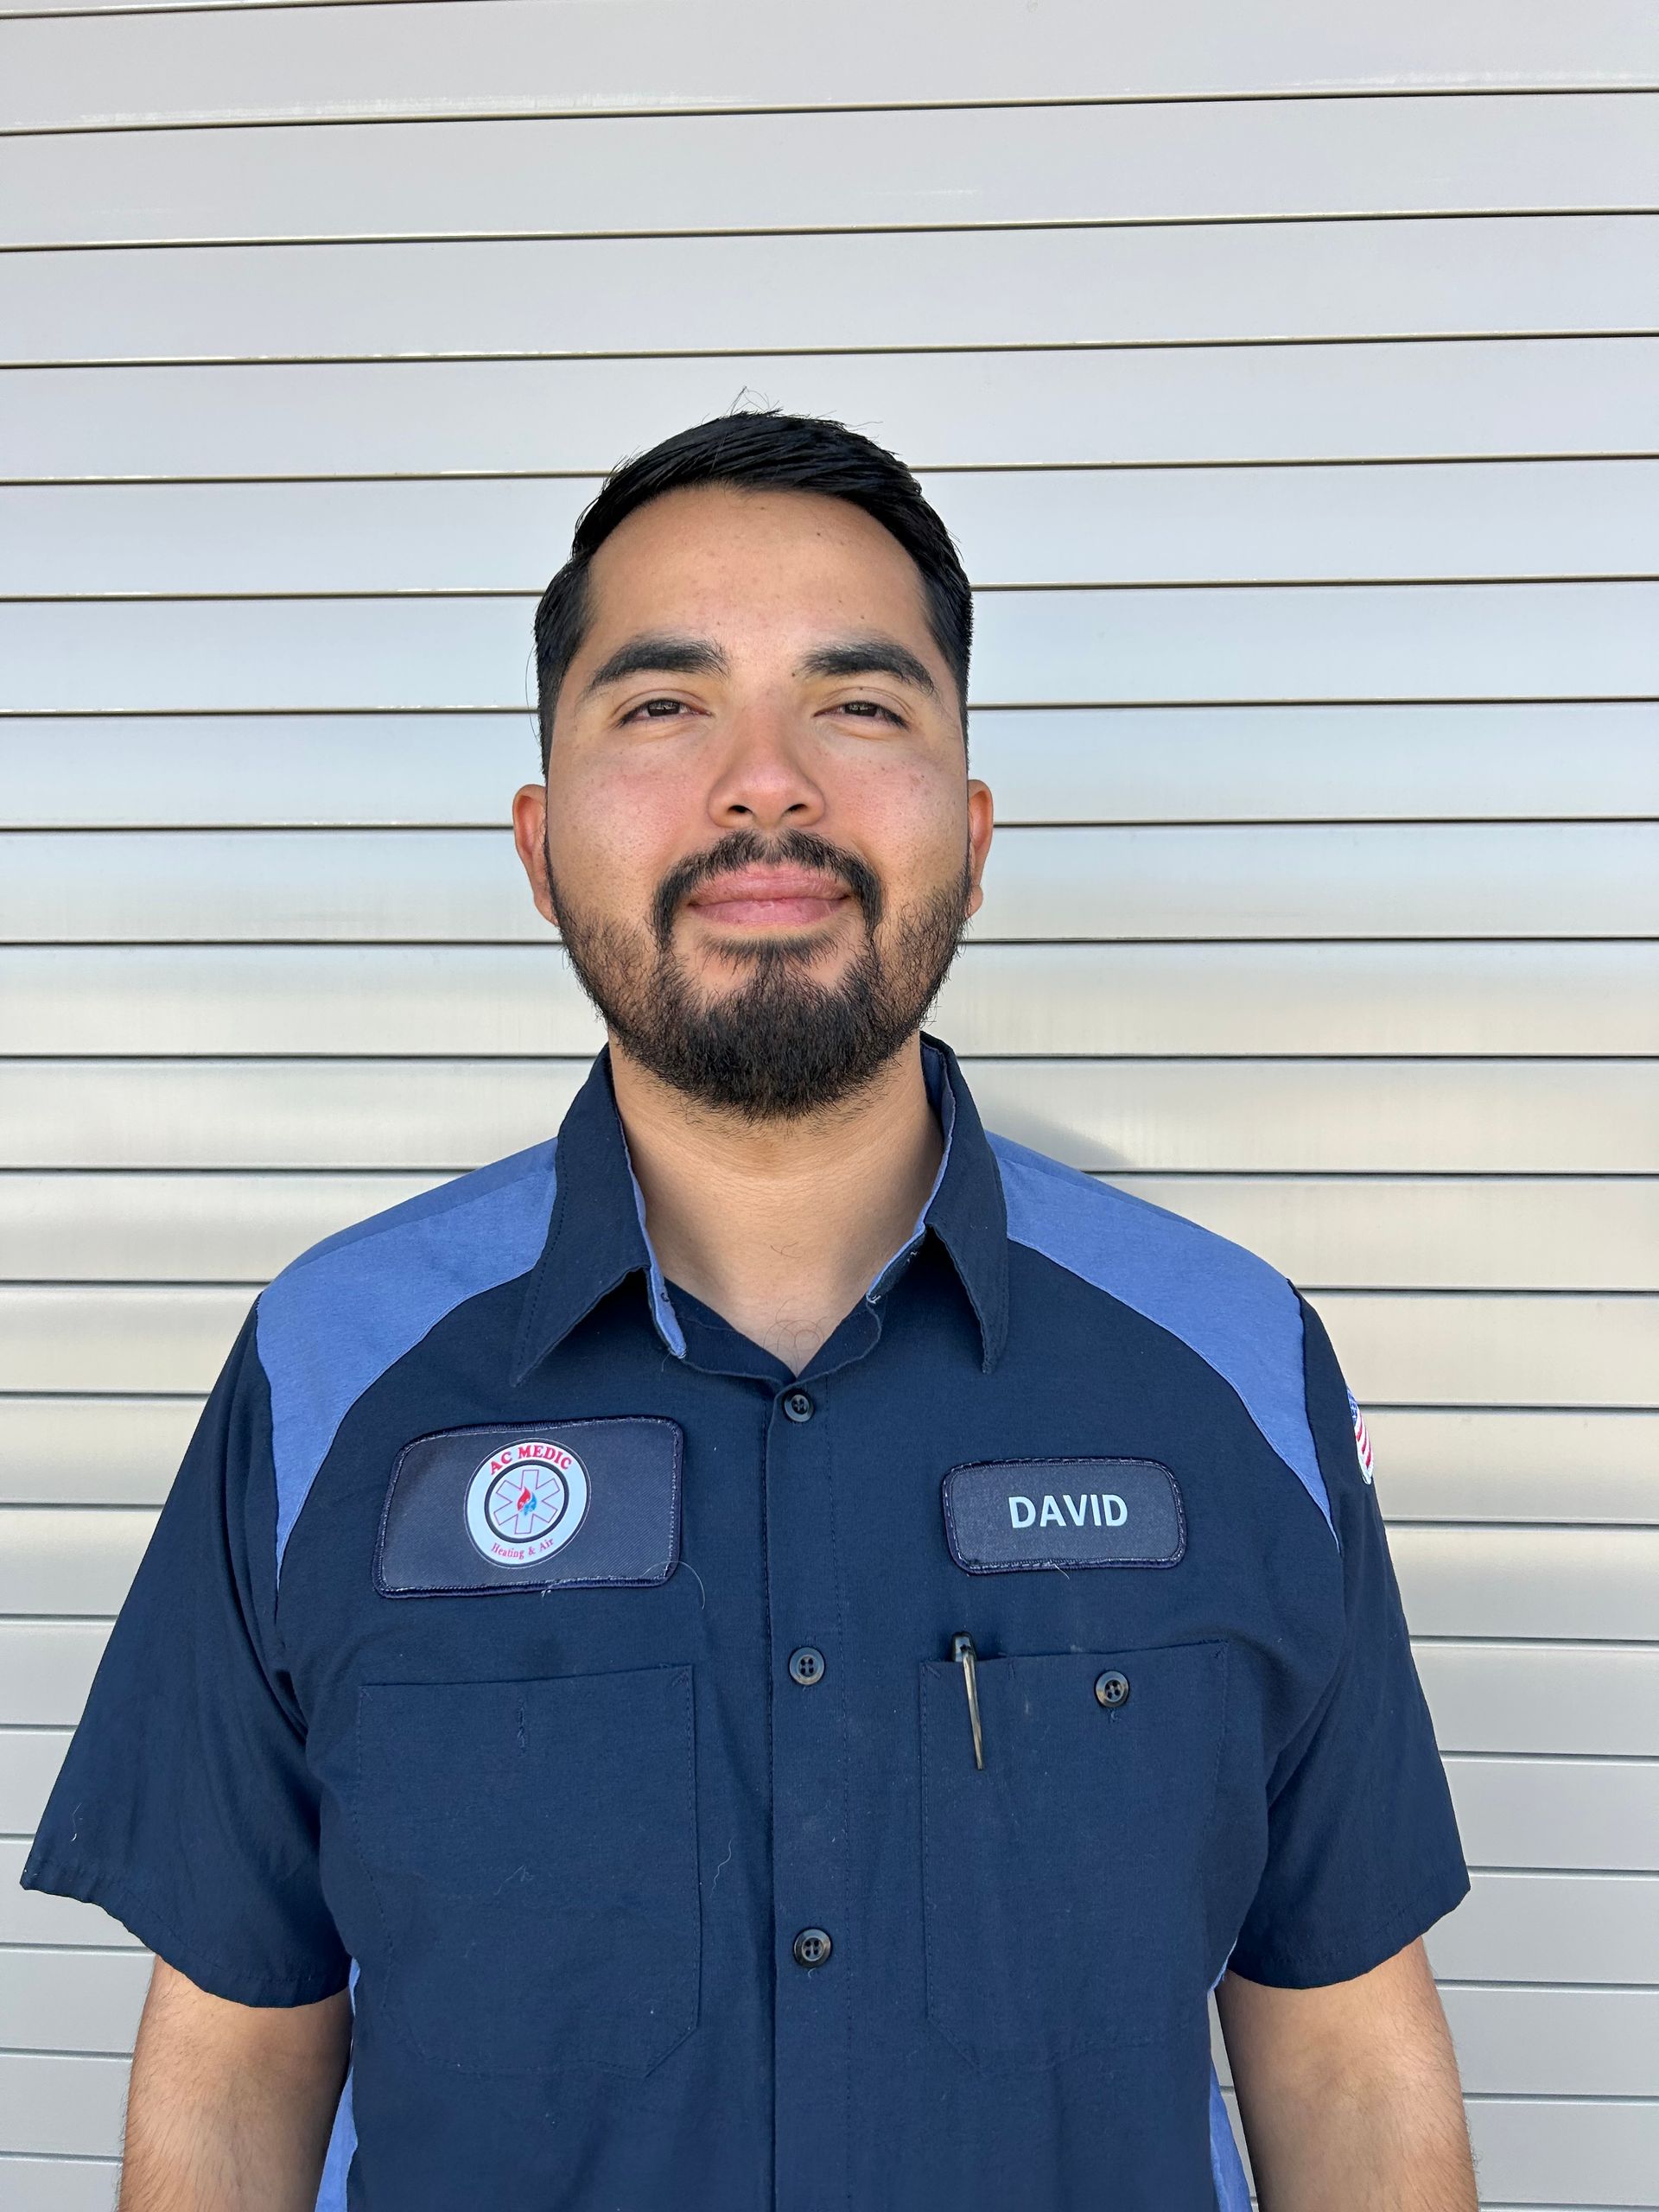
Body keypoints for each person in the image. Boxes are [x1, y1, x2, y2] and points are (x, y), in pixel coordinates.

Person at [22, 410, 1478, 2211]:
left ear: (972, 821)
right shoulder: (327, 1370)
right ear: (540, 840)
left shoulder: (1233, 1361)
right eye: (664, 703)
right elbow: (239, 2055)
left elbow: (1338, 2038)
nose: (765, 783)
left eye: (859, 704)